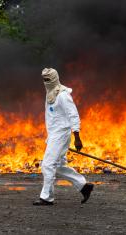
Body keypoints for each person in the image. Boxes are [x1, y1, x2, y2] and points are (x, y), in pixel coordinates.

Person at [33, 68, 94, 206]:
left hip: (61, 134)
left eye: (48, 79)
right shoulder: (50, 94)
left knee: (47, 165)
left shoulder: (63, 95)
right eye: (44, 80)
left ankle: (46, 198)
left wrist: (77, 136)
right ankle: (84, 186)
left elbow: (73, 114)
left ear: (55, 79)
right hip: (54, 134)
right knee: (59, 166)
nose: (46, 82)